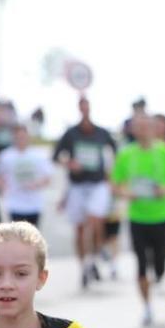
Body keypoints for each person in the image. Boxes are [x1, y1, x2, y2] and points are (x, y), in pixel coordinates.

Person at [112, 113, 165, 325]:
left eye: (146, 127)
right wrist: (126, 194)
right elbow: (115, 184)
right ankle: (147, 307)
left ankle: (159, 275)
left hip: (163, 215)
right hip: (138, 217)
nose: (143, 131)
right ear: (133, 130)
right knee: (141, 264)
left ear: (154, 129)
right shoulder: (126, 154)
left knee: (161, 260)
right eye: (138, 127)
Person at [52, 97, 117, 289]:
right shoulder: (71, 134)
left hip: (97, 184)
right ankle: (85, 265)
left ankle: (97, 253)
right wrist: (69, 164)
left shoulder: (102, 133)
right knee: (79, 228)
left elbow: (115, 154)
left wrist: (111, 176)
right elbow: (56, 157)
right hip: (77, 186)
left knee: (95, 219)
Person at [0, 124, 54, 226]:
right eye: (18, 137)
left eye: (23, 137)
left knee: (32, 238)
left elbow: (48, 177)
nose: (21, 139)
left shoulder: (38, 155)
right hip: (15, 204)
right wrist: (1, 185)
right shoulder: (5, 156)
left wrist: (36, 184)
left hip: (34, 204)